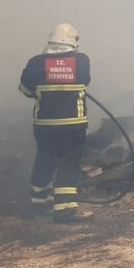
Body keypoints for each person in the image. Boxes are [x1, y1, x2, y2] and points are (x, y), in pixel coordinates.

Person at [19, 23, 93, 222]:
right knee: (69, 163)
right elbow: (85, 81)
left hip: (45, 124)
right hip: (73, 124)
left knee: (45, 157)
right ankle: (65, 210)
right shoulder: (82, 61)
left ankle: (39, 205)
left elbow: (26, 90)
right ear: (74, 43)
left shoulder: (36, 62)